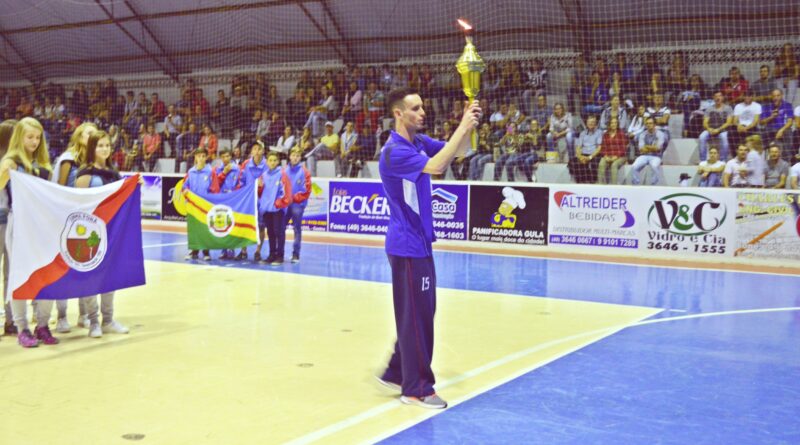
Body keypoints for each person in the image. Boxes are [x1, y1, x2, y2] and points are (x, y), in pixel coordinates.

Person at [375, 87, 480, 410]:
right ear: (398, 113)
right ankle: (416, 388)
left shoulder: (416, 142)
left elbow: (457, 153)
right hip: (407, 246)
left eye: (423, 107)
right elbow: (436, 167)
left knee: (419, 313)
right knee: (418, 316)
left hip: (418, 243)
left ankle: (396, 370)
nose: (423, 112)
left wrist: (471, 125)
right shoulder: (394, 151)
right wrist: (462, 125)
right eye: (416, 108)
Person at [0, 117, 58, 347]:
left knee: (47, 274)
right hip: (19, 224)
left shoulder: (43, 162)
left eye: (37, 137)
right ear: (19, 137)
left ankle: (42, 325)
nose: (34, 141)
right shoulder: (12, 161)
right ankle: (22, 327)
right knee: (19, 276)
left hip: (42, 225)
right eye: (29, 137)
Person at [74, 130, 129, 337]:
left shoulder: (114, 173)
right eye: (100, 145)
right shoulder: (85, 173)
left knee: (110, 276)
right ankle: (93, 321)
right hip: (90, 232)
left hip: (111, 231)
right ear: (92, 148)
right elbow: (79, 203)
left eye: (107, 145)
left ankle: (108, 319)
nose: (105, 149)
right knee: (91, 276)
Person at [235, 141, 268, 261]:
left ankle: (258, 251)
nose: (257, 151)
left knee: (261, 227)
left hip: (262, 201)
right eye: (255, 149)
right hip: (248, 201)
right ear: (251, 152)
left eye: (259, 149)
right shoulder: (245, 164)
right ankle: (243, 251)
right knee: (244, 225)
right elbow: (241, 181)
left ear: (263, 151)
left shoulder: (268, 164)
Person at [257, 152, 291, 266]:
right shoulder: (264, 175)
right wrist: (259, 187)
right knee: (270, 232)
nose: (272, 162)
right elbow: (260, 193)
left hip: (278, 209)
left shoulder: (282, 174)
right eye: (270, 160)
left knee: (279, 232)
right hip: (267, 209)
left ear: (278, 162)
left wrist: (279, 204)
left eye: (275, 160)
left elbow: (287, 193)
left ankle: (280, 256)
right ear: (267, 162)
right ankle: (272, 255)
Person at [0, 120, 17, 336]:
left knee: (10, 271)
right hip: (3, 216)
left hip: (11, 217)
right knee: (8, 272)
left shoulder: (18, 161)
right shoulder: (7, 162)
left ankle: (11, 318)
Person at [183, 148, 213, 261]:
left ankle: (206, 252)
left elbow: (214, 188)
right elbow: (185, 186)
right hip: (193, 206)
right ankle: (194, 251)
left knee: (205, 228)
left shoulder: (210, 171)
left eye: (203, 156)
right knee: (194, 229)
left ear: (206, 158)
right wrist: (185, 190)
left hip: (205, 205)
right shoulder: (190, 172)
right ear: (195, 157)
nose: (201, 158)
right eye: (199, 156)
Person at [282, 148, 311, 263]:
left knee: (297, 229)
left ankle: (296, 254)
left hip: (297, 205)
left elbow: (307, 191)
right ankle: (280, 253)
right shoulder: (283, 171)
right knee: (280, 229)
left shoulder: (305, 172)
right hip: (285, 205)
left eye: (297, 155)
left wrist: (293, 198)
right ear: (289, 156)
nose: (295, 157)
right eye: (293, 155)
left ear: (300, 158)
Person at [698, 92, 733, 161]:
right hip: (710, 130)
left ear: (722, 98)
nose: (718, 98)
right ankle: (703, 161)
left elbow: (728, 122)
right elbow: (705, 122)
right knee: (701, 137)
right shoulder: (709, 109)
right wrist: (709, 129)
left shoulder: (728, 108)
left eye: (719, 96)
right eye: (716, 96)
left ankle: (723, 161)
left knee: (725, 139)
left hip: (723, 130)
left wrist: (718, 130)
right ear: (713, 98)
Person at [631, 117, 666, 185]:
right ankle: (636, 184)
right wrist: (653, 147)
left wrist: (646, 146)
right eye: (647, 123)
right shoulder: (642, 134)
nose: (648, 125)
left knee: (654, 166)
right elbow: (641, 149)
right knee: (634, 166)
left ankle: (653, 185)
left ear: (654, 124)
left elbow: (658, 148)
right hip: (644, 155)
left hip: (656, 156)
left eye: (650, 123)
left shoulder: (660, 134)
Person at [569, 115, 603, 183]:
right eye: (589, 122)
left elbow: (599, 148)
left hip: (594, 155)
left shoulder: (599, 132)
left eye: (593, 122)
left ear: (596, 123)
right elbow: (578, 147)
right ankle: (580, 182)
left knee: (594, 163)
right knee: (572, 162)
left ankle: (592, 182)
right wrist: (580, 157)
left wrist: (589, 158)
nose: (591, 123)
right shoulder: (583, 133)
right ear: (586, 123)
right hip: (583, 154)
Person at [597, 117, 628, 184]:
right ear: (609, 124)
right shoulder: (605, 134)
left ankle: (614, 187)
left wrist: (616, 157)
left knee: (614, 165)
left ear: (617, 124)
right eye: (612, 123)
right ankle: (601, 186)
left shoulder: (621, 134)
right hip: (608, 156)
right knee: (601, 164)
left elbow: (624, 149)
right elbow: (603, 148)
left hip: (620, 156)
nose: (613, 124)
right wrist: (605, 156)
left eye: (615, 123)